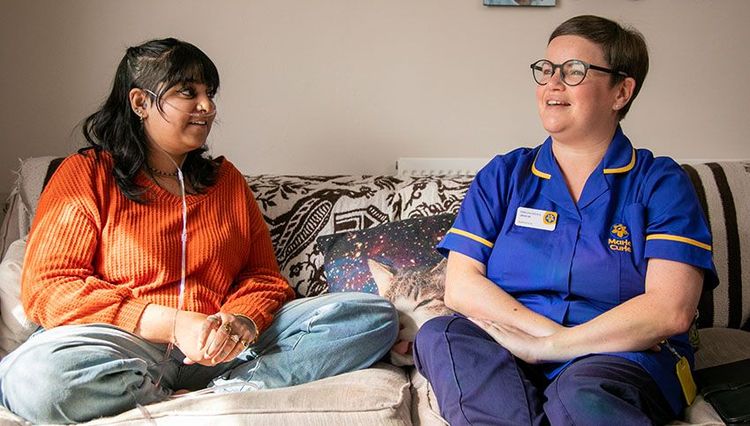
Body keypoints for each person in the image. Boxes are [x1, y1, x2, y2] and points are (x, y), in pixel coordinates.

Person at [0, 38, 398, 424]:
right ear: (140, 102)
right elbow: (49, 287)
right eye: (187, 92)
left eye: (210, 93)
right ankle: (171, 394)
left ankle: (220, 394)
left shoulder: (226, 181)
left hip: (225, 347)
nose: (207, 106)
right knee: (38, 381)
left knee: (371, 316)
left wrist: (241, 320)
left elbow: (263, 277)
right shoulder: (87, 174)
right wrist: (173, 324)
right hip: (124, 347)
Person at [414, 15, 716, 425]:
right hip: (512, 345)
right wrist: (543, 339)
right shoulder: (504, 175)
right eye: (546, 69)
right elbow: (462, 285)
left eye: (574, 70)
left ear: (621, 92)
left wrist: (559, 346)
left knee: (582, 395)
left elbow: (670, 310)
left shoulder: (661, 183)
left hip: (618, 356)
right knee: (441, 335)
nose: (553, 83)